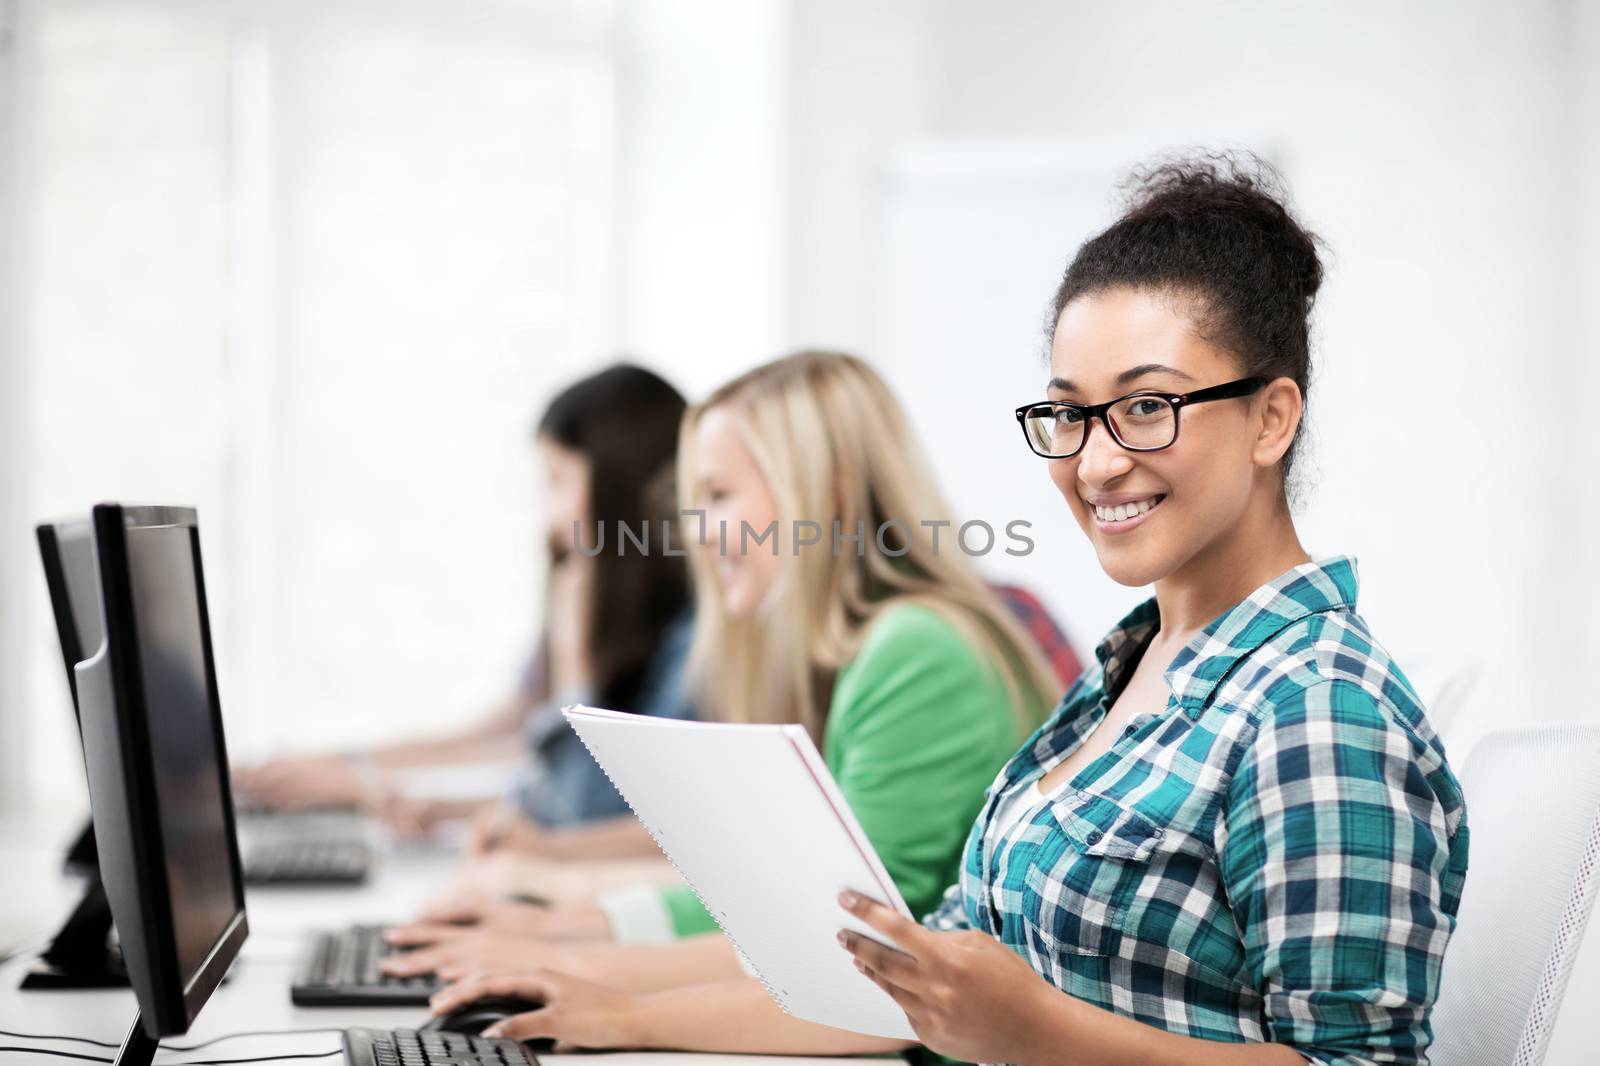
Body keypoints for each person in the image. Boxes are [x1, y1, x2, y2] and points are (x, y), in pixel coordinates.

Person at [425, 153, 1470, 1064]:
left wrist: (1035, 1031)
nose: (1097, 459)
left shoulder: (1319, 708)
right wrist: (610, 1011)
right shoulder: (1126, 676)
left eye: (1146, 406)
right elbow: (913, 980)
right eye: (1067, 412)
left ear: (1270, 417)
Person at [382, 352, 1059, 1050]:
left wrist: (582, 968)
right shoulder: (854, 651)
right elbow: (767, 904)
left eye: (718, 495)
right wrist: (564, 928)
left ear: (822, 491)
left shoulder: (920, 651)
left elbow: (848, 949)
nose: (696, 532)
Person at [236, 364, 697, 838]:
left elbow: (584, 804)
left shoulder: (688, 642)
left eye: (558, 481)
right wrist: (351, 767)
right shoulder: (592, 602)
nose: (548, 520)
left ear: (617, 489)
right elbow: (518, 731)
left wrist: (575, 666)